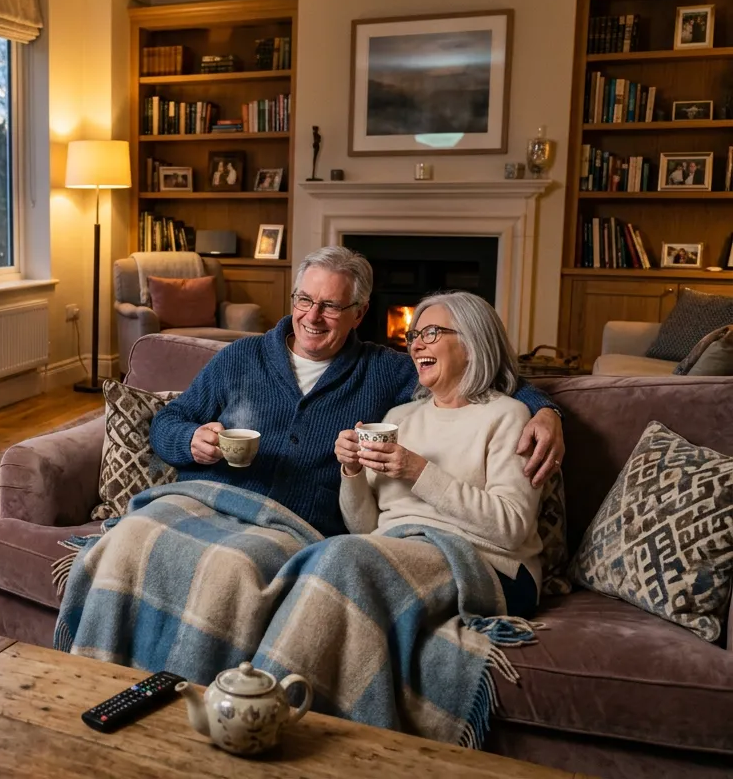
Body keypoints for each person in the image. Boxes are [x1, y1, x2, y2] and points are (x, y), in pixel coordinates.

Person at [149, 246, 563, 537]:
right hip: (204, 500)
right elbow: (168, 421)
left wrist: (544, 411)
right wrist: (191, 441)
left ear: (359, 313)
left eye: (330, 306)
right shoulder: (241, 356)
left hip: (287, 528)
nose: (312, 316)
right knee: (129, 545)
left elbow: (476, 371)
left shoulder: (386, 370)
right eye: (304, 300)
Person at [334, 291, 544, 618]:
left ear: (473, 344)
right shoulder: (398, 418)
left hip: (486, 566)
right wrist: (352, 472)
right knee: (333, 558)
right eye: (414, 335)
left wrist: (419, 472)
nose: (416, 345)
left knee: (346, 564)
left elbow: (510, 527)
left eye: (431, 333)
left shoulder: (508, 416)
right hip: (394, 550)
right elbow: (365, 528)